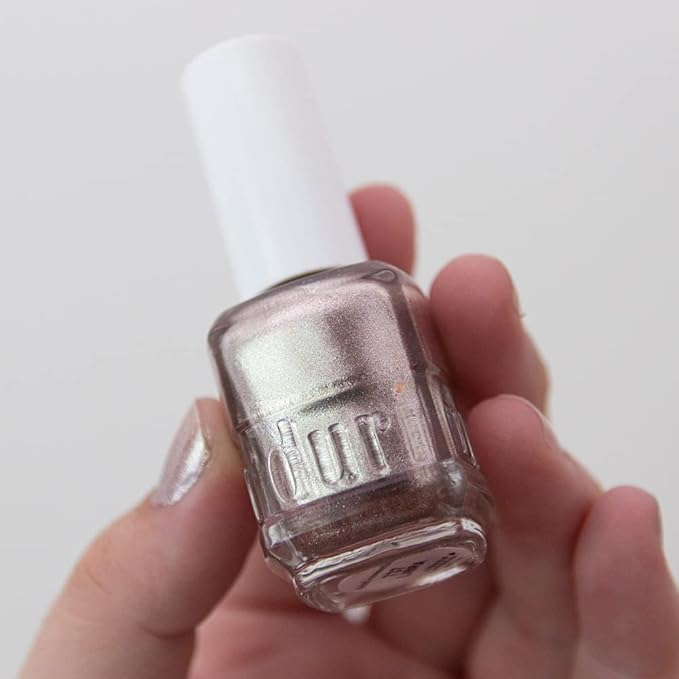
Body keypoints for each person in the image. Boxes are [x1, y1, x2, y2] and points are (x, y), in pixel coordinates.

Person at [20, 186, 679, 679]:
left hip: (408, 526)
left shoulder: (373, 293)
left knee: (504, 415)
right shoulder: (247, 332)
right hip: (361, 543)